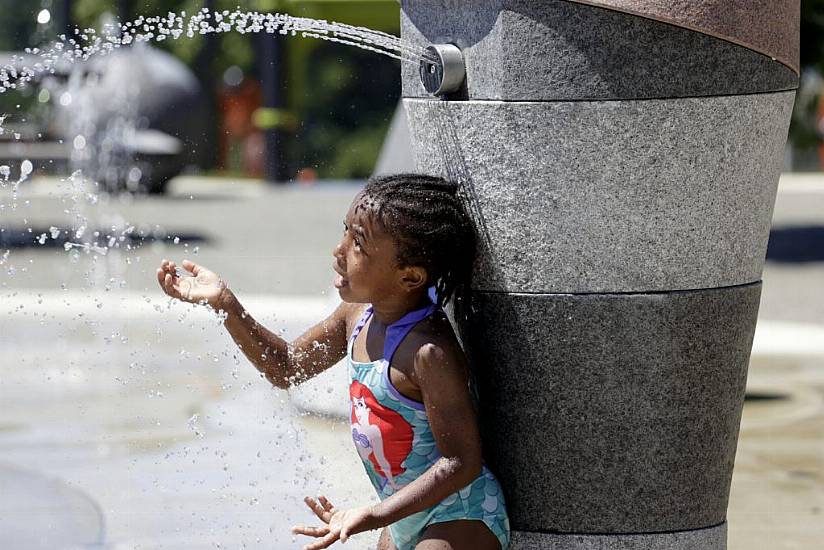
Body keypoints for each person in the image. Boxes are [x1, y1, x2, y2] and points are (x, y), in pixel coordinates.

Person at [156, 173, 510, 550]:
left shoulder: (428, 353)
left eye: (358, 244)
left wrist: (374, 514)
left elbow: (462, 460)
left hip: (459, 516)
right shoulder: (357, 315)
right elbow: (288, 367)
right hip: (402, 518)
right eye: (346, 231)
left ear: (409, 277)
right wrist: (225, 304)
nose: (338, 250)